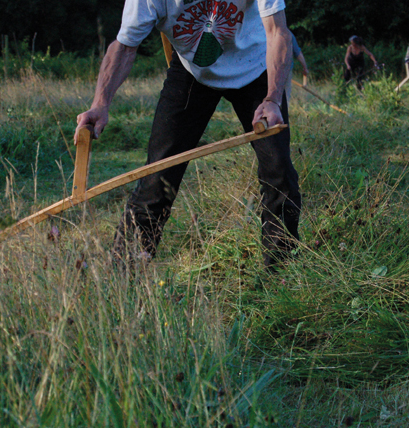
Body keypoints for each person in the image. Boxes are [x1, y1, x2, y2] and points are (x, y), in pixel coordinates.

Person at [75, 0, 301, 270]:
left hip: (256, 68)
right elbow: (124, 46)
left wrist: (273, 99)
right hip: (192, 72)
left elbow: (278, 32)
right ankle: (124, 273)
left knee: (278, 171)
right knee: (158, 175)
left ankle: (281, 274)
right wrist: (101, 104)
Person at [285, 32, 309, 104]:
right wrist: (305, 68)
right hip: (285, 70)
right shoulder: (288, 34)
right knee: (285, 97)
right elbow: (298, 54)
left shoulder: (263, 33)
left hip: (266, 70)